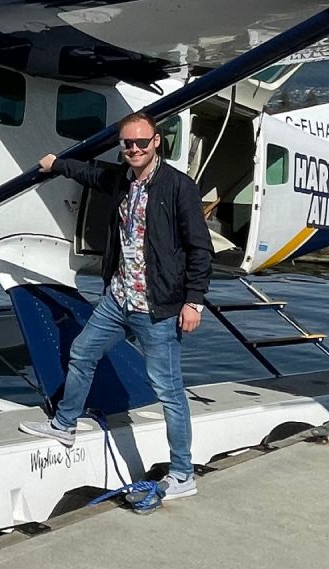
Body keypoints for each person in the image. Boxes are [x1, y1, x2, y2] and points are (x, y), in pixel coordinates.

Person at [19, 111, 213, 498]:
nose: (135, 149)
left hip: (159, 308)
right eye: (128, 144)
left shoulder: (178, 187)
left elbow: (200, 248)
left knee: (169, 392)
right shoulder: (123, 181)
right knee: (82, 352)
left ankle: (182, 473)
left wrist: (194, 302)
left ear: (157, 142)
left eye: (143, 142)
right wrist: (56, 164)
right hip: (118, 298)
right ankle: (65, 424)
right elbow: (91, 175)